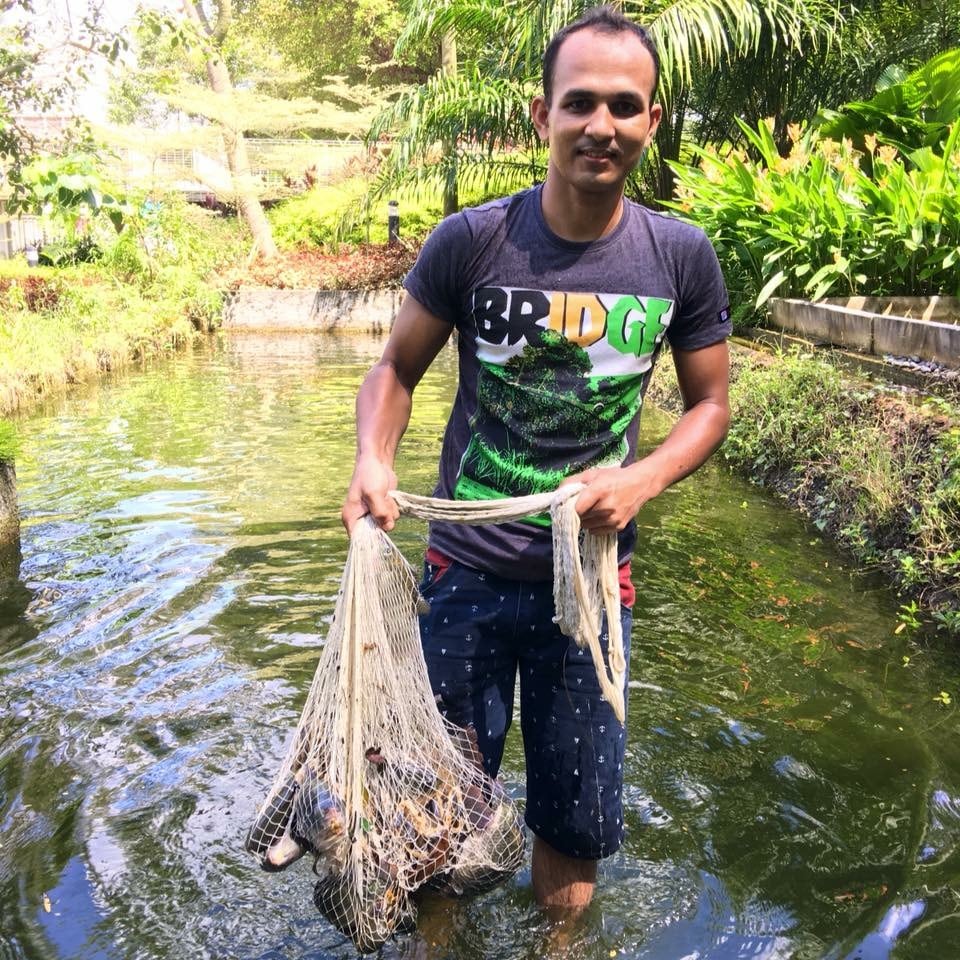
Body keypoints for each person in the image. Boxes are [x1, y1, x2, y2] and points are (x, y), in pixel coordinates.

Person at [342, 4, 731, 916]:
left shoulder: (680, 256)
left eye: (624, 106)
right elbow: (396, 368)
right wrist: (372, 458)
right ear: (540, 114)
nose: (602, 125)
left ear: (651, 121)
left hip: (590, 587)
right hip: (466, 571)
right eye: (580, 102)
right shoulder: (474, 241)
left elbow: (710, 406)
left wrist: (642, 480)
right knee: (430, 808)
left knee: (576, 820)